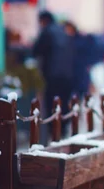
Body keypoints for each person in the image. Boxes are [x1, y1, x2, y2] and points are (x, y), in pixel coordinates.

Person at [32, 11, 75, 141]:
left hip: (53, 75)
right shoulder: (64, 31)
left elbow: (36, 50)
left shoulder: (47, 32)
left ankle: (54, 134)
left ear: (44, 20)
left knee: (52, 103)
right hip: (67, 75)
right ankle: (63, 131)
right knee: (63, 102)